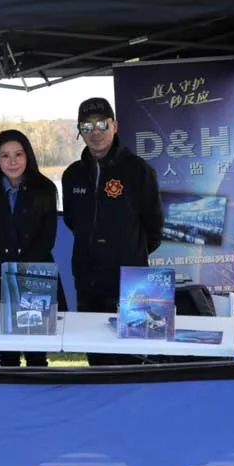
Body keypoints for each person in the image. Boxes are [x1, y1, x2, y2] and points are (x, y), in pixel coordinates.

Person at [61, 97, 164, 366]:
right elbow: (72, 220)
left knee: (131, 355)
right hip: (88, 279)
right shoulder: (72, 175)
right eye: (87, 126)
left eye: (102, 124)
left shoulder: (139, 170)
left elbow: (154, 228)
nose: (95, 132)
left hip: (131, 281)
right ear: (80, 131)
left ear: (115, 126)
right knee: (96, 355)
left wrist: (127, 251)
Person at [0, 129, 67, 367]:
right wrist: (5, 273)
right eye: (5, 155)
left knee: (37, 352)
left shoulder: (45, 189)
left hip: (35, 278)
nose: (12, 161)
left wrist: (21, 275)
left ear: (28, 156)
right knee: (7, 353)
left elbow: (47, 238)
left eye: (18, 154)